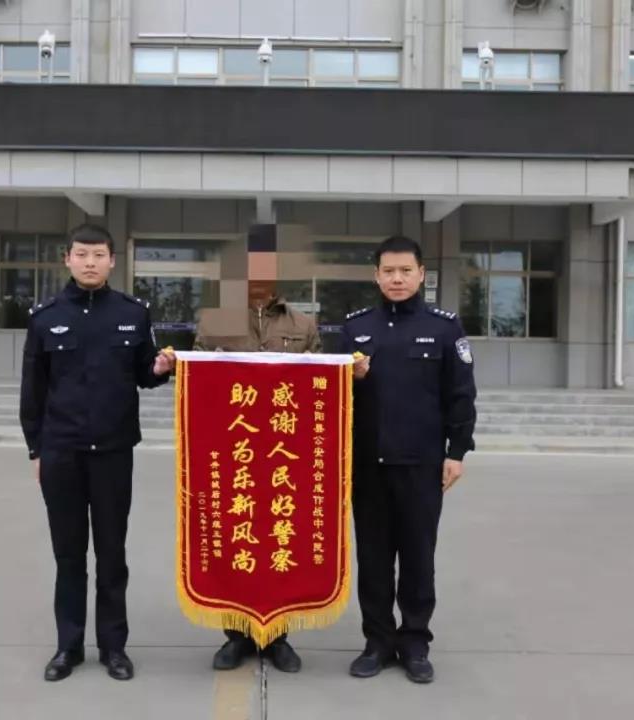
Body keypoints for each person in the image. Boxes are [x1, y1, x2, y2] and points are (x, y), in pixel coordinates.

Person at [20, 223, 175, 683]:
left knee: (111, 553)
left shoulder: (132, 313)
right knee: (68, 555)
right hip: (62, 452)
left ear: (112, 261)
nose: (90, 263)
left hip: (113, 451)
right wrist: (36, 450)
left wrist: (161, 367)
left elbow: (144, 374)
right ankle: (68, 647)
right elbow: (33, 391)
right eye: (82, 254)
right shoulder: (45, 317)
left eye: (99, 255)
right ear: (67, 258)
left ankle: (114, 648)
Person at [343, 235, 477, 684]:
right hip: (367, 466)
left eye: (405, 271)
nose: (396, 279)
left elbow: (461, 394)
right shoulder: (355, 329)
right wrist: (351, 379)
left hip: (422, 464)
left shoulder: (444, 327)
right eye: (388, 271)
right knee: (374, 559)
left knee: (419, 557)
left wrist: (456, 452)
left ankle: (415, 642)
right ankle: (378, 642)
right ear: (376, 276)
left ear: (421, 274)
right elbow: (326, 396)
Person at [192, 285, 321, 673]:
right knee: (237, 541)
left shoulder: (303, 324)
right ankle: (237, 636)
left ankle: (278, 636)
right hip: (234, 451)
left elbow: (319, 382)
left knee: (281, 540)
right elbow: (194, 378)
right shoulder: (216, 321)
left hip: (285, 453)